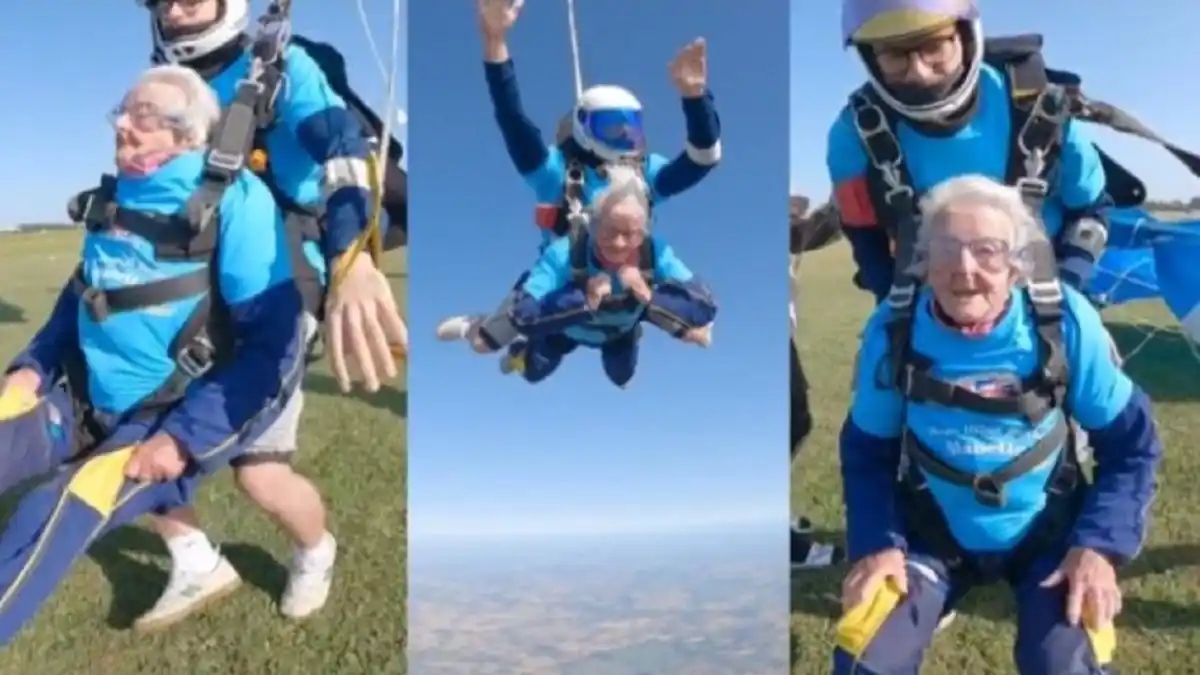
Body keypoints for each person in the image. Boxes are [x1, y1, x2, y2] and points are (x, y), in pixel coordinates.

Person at [0, 65, 310, 645]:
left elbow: (274, 345)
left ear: (190, 136)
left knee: (50, 510)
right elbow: (82, 298)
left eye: (145, 116)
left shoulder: (236, 204)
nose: (123, 124)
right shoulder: (112, 199)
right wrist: (31, 368)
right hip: (79, 395)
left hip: (162, 417)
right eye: (122, 111)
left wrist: (185, 437)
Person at [127, 0, 407, 628]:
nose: (176, 7)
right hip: (191, 284)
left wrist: (352, 256)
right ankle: (195, 557)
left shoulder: (283, 68)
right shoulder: (164, 87)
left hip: (281, 280)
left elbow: (340, 148)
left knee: (259, 475)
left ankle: (315, 551)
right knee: (127, 423)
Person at [831, 175, 1162, 674]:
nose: (965, 269)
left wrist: (1097, 547)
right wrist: (878, 545)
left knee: (1067, 664)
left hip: (1048, 529)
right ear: (923, 261)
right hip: (932, 529)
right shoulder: (892, 329)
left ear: (1016, 264)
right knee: (866, 658)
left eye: (987, 250)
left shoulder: (1063, 323)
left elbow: (1132, 446)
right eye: (946, 249)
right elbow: (867, 453)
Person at [435, 0, 722, 371]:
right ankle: (487, 330)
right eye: (611, 128)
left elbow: (703, 159)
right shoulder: (557, 172)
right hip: (562, 296)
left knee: (622, 373)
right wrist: (495, 44)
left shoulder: (645, 174)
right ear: (584, 126)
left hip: (621, 305)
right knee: (496, 348)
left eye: (630, 127)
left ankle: (621, 333)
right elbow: (514, 122)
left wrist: (695, 97)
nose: (622, 138)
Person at [830, 0, 1109, 305]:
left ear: (964, 36)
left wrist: (1066, 291)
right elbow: (864, 234)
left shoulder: (1042, 108)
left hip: (1046, 304)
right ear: (871, 58)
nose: (920, 73)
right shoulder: (854, 134)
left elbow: (1091, 212)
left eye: (935, 46)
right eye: (895, 55)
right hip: (926, 311)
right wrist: (896, 305)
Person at [506, 166, 717, 387]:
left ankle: (638, 327)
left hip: (619, 333)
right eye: (608, 231)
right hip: (566, 329)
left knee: (621, 376)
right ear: (593, 227)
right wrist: (582, 298)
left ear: (644, 231)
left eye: (630, 234)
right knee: (533, 372)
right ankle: (521, 352)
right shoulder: (564, 252)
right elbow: (522, 314)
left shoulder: (655, 252)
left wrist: (648, 295)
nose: (618, 244)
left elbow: (704, 306)